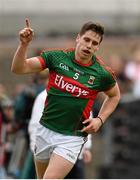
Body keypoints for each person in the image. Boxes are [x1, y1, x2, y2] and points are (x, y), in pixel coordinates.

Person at [11, 19, 120, 179]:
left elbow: (115, 96)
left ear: (98, 47)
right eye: (86, 40)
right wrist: (24, 44)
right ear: (78, 38)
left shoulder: (101, 73)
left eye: (94, 43)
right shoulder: (56, 58)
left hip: (71, 137)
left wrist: (100, 119)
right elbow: (19, 68)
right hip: (45, 130)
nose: (89, 45)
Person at [28, 88, 92, 179]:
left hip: (75, 154)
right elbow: (35, 125)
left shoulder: (83, 93)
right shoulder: (43, 96)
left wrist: (87, 147)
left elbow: (87, 120)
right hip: (48, 154)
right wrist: (36, 150)